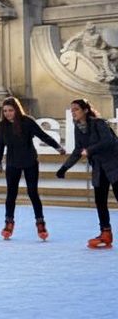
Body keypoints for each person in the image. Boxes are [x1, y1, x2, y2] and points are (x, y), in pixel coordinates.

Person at [0, 96, 65, 240]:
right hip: (13, 163)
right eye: (5, 111)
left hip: (29, 162)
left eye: (10, 110)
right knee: (11, 194)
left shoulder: (27, 122)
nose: (8, 113)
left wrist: (57, 146)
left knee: (33, 193)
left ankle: (40, 223)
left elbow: (42, 135)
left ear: (17, 110)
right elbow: (0, 144)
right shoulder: (2, 126)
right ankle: (8, 222)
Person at [56, 98, 118, 249]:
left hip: (114, 164)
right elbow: (78, 150)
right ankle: (105, 233)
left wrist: (90, 150)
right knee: (100, 201)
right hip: (99, 167)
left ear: (85, 110)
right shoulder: (78, 128)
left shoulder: (99, 123)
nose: (73, 112)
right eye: (72, 110)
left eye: (76, 109)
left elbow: (109, 141)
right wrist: (64, 168)